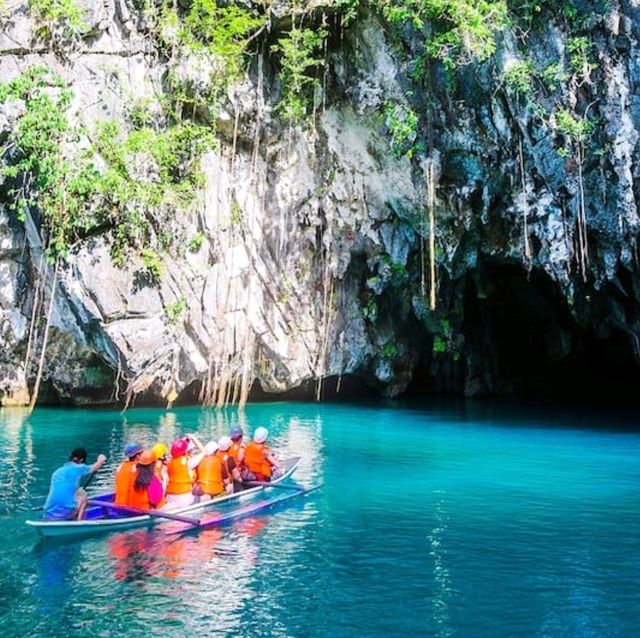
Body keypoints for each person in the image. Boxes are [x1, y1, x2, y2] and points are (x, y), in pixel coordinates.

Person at [43, 447, 107, 520]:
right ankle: (79, 521)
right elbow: (96, 466)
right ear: (82, 460)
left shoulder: (57, 472)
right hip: (66, 512)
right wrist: (101, 459)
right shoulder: (80, 467)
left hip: (48, 512)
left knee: (78, 491)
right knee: (83, 494)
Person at [166, 433, 204, 507]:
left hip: (170, 498)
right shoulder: (188, 462)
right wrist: (193, 438)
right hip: (185, 499)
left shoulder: (169, 463)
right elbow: (203, 451)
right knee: (203, 496)